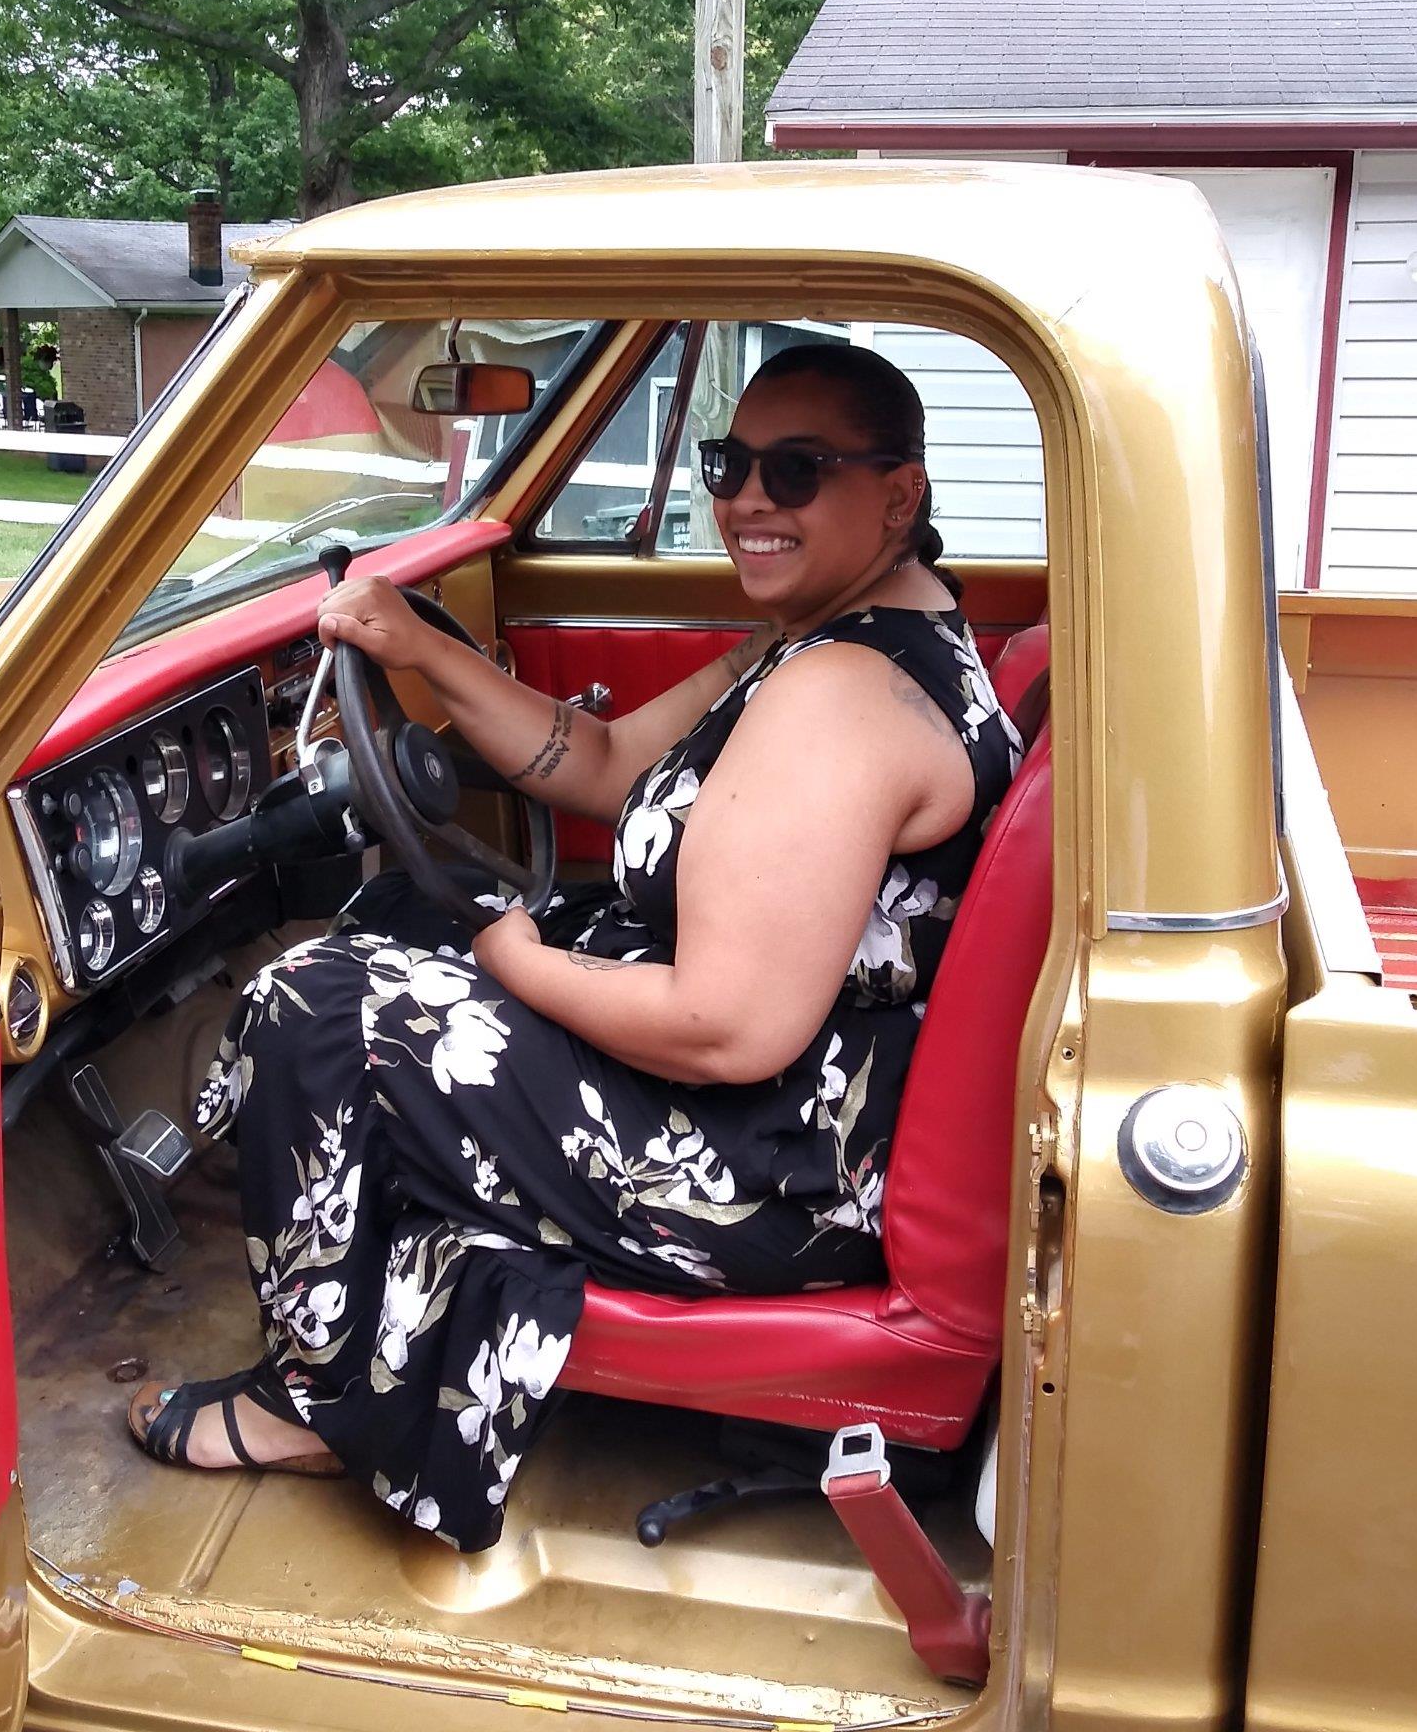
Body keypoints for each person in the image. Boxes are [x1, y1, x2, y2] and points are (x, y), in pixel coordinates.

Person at [128, 342, 1025, 1551]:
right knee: (399, 920)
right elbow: (600, 766)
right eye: (730, 463)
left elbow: (727, 1026)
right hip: (803, 1113)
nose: (749, 499)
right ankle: (354, 1263)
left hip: (757, 1171)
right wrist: (419, 649)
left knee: (316, 1001)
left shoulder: (841, 698)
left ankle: (317, 1398)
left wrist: (514, 956)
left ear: (899, 497)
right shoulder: (830, 643)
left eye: (797, 471)